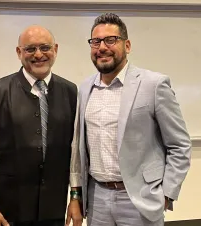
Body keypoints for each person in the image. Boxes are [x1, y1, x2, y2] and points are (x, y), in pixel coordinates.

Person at [78, 13, 192, 226]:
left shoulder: (153, 85)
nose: (102, 47)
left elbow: (180, 145)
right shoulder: (85, 89)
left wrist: (167, 193)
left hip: (139, 200)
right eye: (96, 41)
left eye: (110, 40)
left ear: (127, 45)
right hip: (97, 200)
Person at [0, 25, 83, 226]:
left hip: (54, 206)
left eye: (45, 47)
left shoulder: (70, 92)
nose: (38, 54)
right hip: (8, 207)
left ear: (55, 49)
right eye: (30, 49)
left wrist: (75, 196)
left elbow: (74, 150)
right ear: (19, 52)